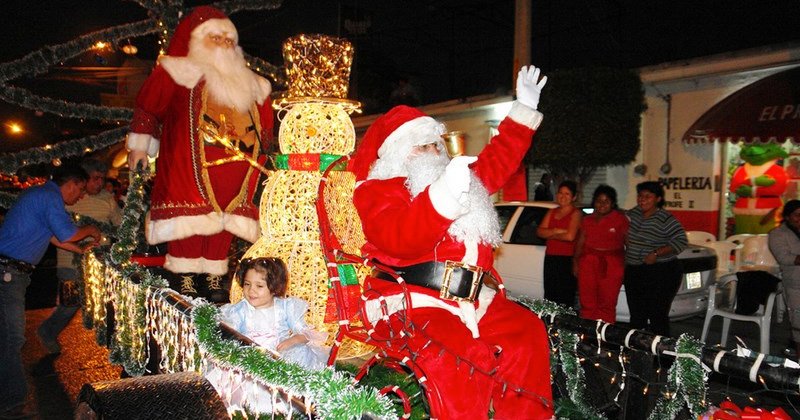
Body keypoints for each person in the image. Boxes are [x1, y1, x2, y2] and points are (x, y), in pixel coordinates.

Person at [348, 66, 553, 418]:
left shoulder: (457, 179)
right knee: (460, 357)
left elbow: (498, 160)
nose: (432, 152)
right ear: (397, 153)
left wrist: (522, 112)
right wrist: (441, 197)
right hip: (412, 303)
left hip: (473, 298)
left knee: (526, 334)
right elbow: (400, 239)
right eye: (421, 146)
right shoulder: (377, 190)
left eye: (435, 144)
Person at [126, 5, 273, 300]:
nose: (223, 46)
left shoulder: (252, 84)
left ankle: (214, 276)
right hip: (187, 169)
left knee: (223, 226)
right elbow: (149, 107)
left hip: (237, 173)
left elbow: (265, 128)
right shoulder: (179, 72)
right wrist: (141, 145)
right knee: (189, 221)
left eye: (228, 40)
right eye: (215, 39)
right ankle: (187, 275)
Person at [0, 164, 102, 419]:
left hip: (10, 272)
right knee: (12, 338)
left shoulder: (40, 195)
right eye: (80, 191)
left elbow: (53, 236)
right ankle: (11, 401)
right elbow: (67, 232)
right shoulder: (49, 197)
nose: (80, 196)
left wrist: (79, 250)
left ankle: (10, 397)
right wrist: (91, 230)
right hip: (6, 273)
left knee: (8, 336)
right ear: (72, 184)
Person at [207, 257, 327, 413]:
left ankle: (289, 397)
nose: (251, 291)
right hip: (251, 356)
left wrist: (294, 339)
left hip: (279, 354)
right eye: (247, 284)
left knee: (299, 354)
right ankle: (252, 399)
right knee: (231, 374)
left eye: (259, 286)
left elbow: (306, 333)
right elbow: (230, 333)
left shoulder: (285, 307)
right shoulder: (240, 310)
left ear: (274, 287)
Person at [38, 159, 123, 354]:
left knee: (108, 300)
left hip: (101, 261)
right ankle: (48, 331)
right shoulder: (70, 199)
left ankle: (114, 342)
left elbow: (119, 225)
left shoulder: (107, 199)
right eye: (94, 178)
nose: (99, 183)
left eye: (102, 179)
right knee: (71, 302)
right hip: (70, 261)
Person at [623, 181, 687, 336]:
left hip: (661, 273)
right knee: (637, 316)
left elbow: (681, 241)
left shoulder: (665, 219)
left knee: (657, 316)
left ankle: (662, 356)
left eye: (647, 196)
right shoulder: (633, 214)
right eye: (640, 196)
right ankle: (637, 353)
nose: (642, 199)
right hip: (635, 271)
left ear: (658, 199)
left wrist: (657, 253)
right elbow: (621, 228)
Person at [573, 184, 629, 323]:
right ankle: (588, 336)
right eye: (599, 201)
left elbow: (629, 244)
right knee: (587, 302)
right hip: (588, 262)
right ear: (594, 202)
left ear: (613, 203)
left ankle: (605, 337)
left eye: (606, 201)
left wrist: (627, 266)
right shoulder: (587, 220)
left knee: (607, 303)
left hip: (612, 265)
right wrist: (575, 262)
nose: (602, 204)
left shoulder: (620, 219)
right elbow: (580, 242)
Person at [537, 180, 581, 308]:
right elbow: (539, 232)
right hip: (551, 258)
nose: (563, 196)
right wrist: (556, 231)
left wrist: (549, 233)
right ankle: (550, 324)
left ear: (574, 197)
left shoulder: (576, 213)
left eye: (567, 194)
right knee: (550, 294)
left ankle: (563, 326)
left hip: (566, 260)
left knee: (565, 297)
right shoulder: (552, 212)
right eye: (560, 193)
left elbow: (570, 236)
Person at [767, 199, 800, 358]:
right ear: (787, 216)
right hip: (795, 283)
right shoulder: (777, 234)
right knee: (798, 322)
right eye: (796, 215)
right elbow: (784, 258)